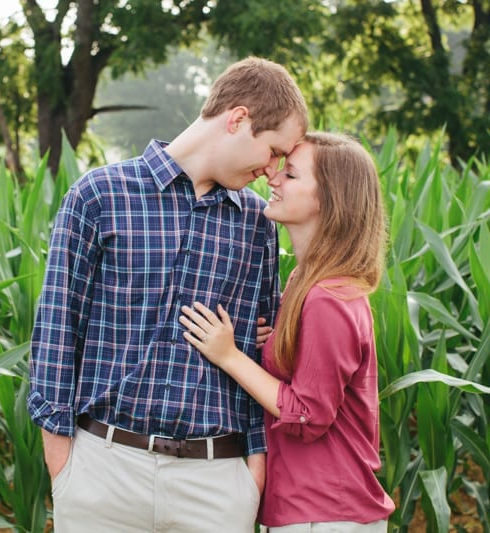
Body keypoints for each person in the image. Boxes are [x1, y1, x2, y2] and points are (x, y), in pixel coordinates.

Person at [27, 56, 309, 532]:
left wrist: (252, 470)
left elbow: (260, 353)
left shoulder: (257, 224)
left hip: (216, 481)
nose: (271, 170)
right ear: (238, 119)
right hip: (102, 471)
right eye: (273, 149)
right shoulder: (99, 196)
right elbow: (57, 329)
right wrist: (64, 462)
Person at [180, 131, 396, 532]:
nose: (273, 179)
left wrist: (229, 355)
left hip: (326, 513)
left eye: (291, 175)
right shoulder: (304, 282)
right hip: (309, 508)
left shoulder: (329, 297)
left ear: (329, 200)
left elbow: (308, 414)